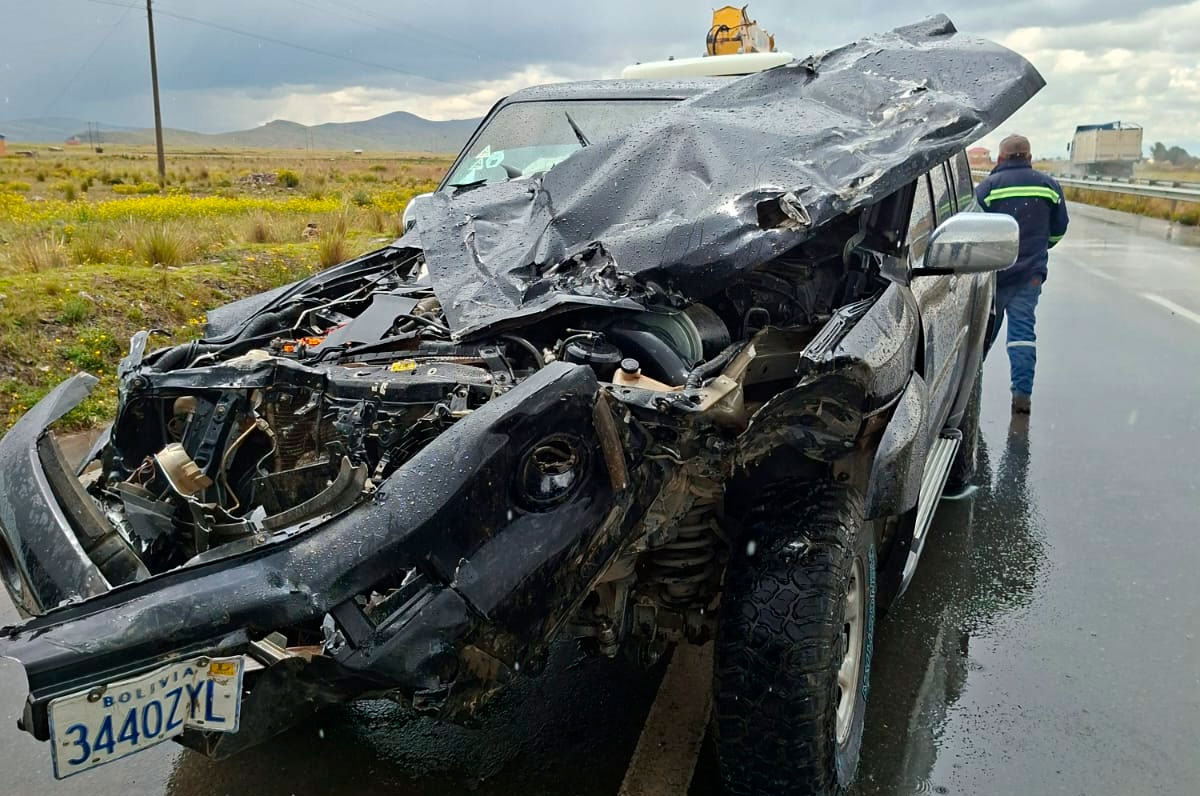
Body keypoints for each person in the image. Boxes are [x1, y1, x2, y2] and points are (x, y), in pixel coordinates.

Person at [974, 135, 1068, 415]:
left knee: (983, 333)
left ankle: (969, 390)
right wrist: (1041, 247)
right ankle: (1022, 395)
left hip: (994, 275)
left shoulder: (988, 188)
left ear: (1000, 159)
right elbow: (1058, 229)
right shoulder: (1049, 186)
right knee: (1023, 333)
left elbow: (973, 228)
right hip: (1030, 275)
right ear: (1029, 157)